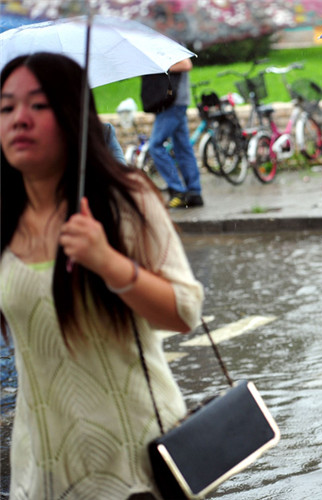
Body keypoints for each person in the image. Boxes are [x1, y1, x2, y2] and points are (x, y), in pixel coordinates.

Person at [0, 53, 204, 498]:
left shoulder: (124, 198)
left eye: (38, 105)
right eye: (6, 107)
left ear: (74, 114)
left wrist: (107, 261)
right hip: (43, 467)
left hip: (136, 462)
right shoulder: (5, 217)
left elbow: (183, 313)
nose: (19, 119)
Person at [146, 57, 204, 208]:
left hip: (172, 102)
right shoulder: (166, 37)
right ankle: (194, 193)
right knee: (183, 147)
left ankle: (178, 190)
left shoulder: (171, 37)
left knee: (155, 146)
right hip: (176, 101)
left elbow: (186, 64)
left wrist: (158, 66)